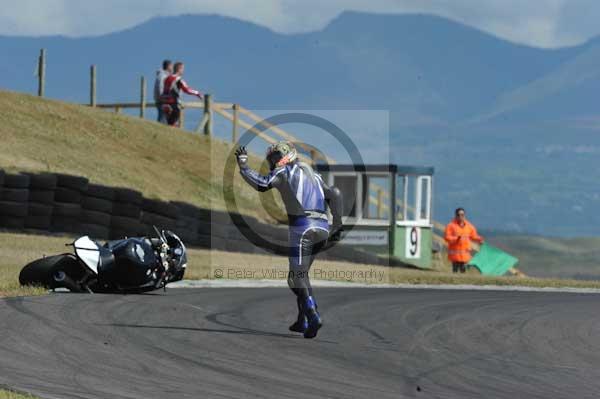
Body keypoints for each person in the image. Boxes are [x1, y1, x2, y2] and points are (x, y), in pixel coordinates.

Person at [234, 142, 343, 339]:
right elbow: (334, 193)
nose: (273, 161)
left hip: (303, 227)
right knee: (300, 275)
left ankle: (312, 313)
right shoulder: (314, 174)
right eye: (272, 158)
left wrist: (243, 167)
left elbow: (262, 184)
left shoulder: (283, 172)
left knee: (296, 277)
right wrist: (337, 225)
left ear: (286, 157)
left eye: (276, 157)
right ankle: (302, 320)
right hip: (322, 227)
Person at [159, 62, 203, 127]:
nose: (183, 71)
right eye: (182, 69)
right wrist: (198, 93)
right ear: (179, 69)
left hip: (165, 102)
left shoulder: (167, 78)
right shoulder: (178, 79)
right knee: (172, 124)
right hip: (174, 104)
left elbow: (164, 90)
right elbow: (187, 90)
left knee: (168, 123)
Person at [444, 208, 484, 273]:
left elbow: (474, 236)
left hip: (465, 255)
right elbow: (446, 237)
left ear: (464, 215)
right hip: (455, 256)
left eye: (462, 215)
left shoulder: (469, 226)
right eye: (458, 215)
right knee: (455, 273)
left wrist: (480, 239)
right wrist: (456, 238)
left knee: (463, 273)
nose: (460, 217)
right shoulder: (450, 226)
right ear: (455, 215)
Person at [153, 60, 173, 124]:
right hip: (162, 101)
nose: (172, 68)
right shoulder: (162, 76)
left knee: (164, 118)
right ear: (168, 66)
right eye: (171, 66)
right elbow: (160, 88)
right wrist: (164, 99)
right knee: (162, 119)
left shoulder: (164, 75)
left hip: (163, 100)